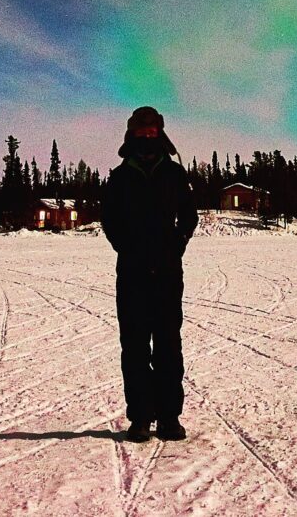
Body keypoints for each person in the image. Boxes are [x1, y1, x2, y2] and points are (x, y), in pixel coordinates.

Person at [99, 104, 195, 441]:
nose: (147, 135)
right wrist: (126, 248)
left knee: (169, 344)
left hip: (168, 273)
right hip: (132, 273)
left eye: (153, 130)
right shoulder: (120, 176)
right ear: (132, 133)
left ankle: (169, 417)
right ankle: (140, 417)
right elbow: (109, 220)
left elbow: (189, 215)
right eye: (142, 130)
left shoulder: (175, 174)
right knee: (135, 346)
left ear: (160, 132)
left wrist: (177, 243)